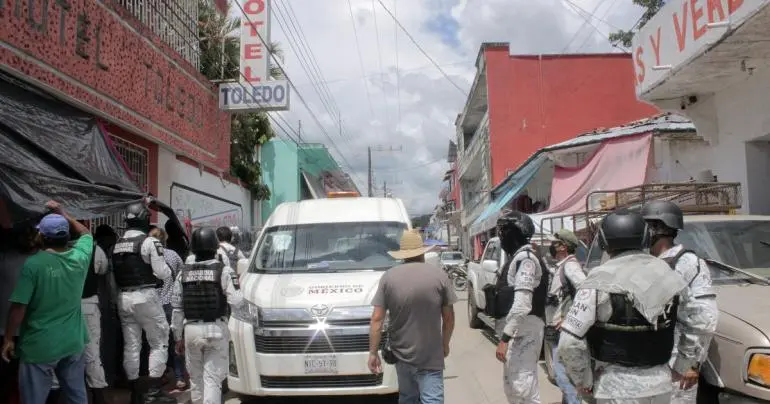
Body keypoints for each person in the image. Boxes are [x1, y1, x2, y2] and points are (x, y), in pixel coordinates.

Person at [558, 210, 709, 404]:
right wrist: (682, 366)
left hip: (614, 389)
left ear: (603, 242)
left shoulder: (597, 282)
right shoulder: (668, 275)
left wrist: (583, 380)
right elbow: (699, 323)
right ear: (646, 237)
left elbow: (569, 342)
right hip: (661, 387)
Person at [1, 201, 92, 404]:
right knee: (76, 397)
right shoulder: (80, 257)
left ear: (41, 237)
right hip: (73, 342)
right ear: (66, 236)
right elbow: (86, 233)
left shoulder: (34, 265)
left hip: (40, 346)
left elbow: (18, 308)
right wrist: (63, 213)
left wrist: (8, 338)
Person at [641, 201, 719, 404]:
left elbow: (705, 317)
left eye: (645, 225)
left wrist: (691, 364)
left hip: (676, 365)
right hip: (646, 363)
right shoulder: (643, 262)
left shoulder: (688, 263)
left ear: (659, 228)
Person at [368, 230, 457, 404]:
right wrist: (445, 345)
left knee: (408, 398)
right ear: (422, 251)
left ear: (403, 254)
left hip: (401, 356)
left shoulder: (388, 278)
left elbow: (376, 319)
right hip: (430, 356)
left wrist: (373, 352)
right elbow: (448, 318)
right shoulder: (439, 276)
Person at [171, 227, 244, 404]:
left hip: (191, 331)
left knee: (195, 380)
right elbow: (237, 301)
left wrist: (177, 337)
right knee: (212, 380)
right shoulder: (224, 271)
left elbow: (177, 309)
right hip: (215, 329)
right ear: (214, 247)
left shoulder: (183, 273)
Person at [112, 202, 174, 404]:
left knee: (131, 345)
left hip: (123, 298)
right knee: (159, 340)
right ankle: (153, 392)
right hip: (145, 296)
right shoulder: (149, 242)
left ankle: (135, 393)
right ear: (144, 219)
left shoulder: (118, 243)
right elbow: (162, 272)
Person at [492, 211, 548, 404]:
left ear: (516, 233)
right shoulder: (517, 258)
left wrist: (505, 338)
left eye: (504, 232)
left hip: (525, 330)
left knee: (522, 387)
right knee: (515, 387)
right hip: (519, 330)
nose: (501, 236)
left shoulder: (526, 259)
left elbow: (522, 304)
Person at [0, 222, 40, 404]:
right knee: (32, 381)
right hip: (32, 330)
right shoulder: (44, 260)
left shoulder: (5, 259)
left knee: (8, 379)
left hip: (6, 330)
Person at [544, 229, 585, 404]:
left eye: (554, 243)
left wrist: (569, 319)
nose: (551, 246)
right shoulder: (562, 266)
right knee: (564, 376)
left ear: (563, 247)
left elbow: (585, 291)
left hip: (564, 332)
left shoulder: (570, 266)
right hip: (557, 330)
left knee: (564, 377)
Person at [150, 228, 187, 391]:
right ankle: (179, 377)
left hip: (152, 305)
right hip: (171, 305)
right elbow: (182, 276)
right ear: (165, 239)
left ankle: (161, 374)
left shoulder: (146, 255)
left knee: (156, 343)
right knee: (176, 341)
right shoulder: (173, 255)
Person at [80, 222, 110, 404]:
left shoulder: (53, 250)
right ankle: (98, 396)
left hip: (63, 307)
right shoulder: (94, 249)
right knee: (92, 352)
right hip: (88, 305)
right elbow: (102, 269)